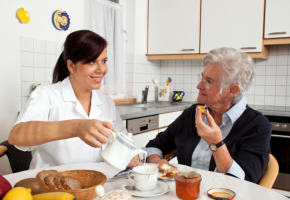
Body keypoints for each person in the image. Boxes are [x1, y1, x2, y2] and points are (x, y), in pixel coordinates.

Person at [8, 30, 142, 169]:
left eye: (104, 61)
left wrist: (129, 156)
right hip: (51, 186)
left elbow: (122, 141)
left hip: (96, 184)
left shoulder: (106, 102)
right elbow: (16, 135)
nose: (102, 69)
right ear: (71, 66)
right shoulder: (47, 95)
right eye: (91, 62)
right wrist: (77, 127)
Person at [145, 47, 271, 183]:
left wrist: (216, 143)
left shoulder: (257, 126)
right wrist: (158, 163)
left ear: (232, 90)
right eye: (202, 77)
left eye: (209, 81)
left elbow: (246, 183)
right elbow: (154, 146)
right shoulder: (192, 113)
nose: (199, 85)